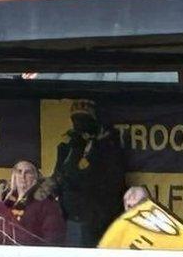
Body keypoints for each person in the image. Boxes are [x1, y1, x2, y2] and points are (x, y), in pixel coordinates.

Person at [50, 103, 127, 246]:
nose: (79, 125)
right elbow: (59, 176)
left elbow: (109, 181)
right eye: (76, 120)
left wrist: (98, 146)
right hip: (73, 216)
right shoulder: (69, 146)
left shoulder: (109, 146)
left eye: (84, 119)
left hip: (101, 217)